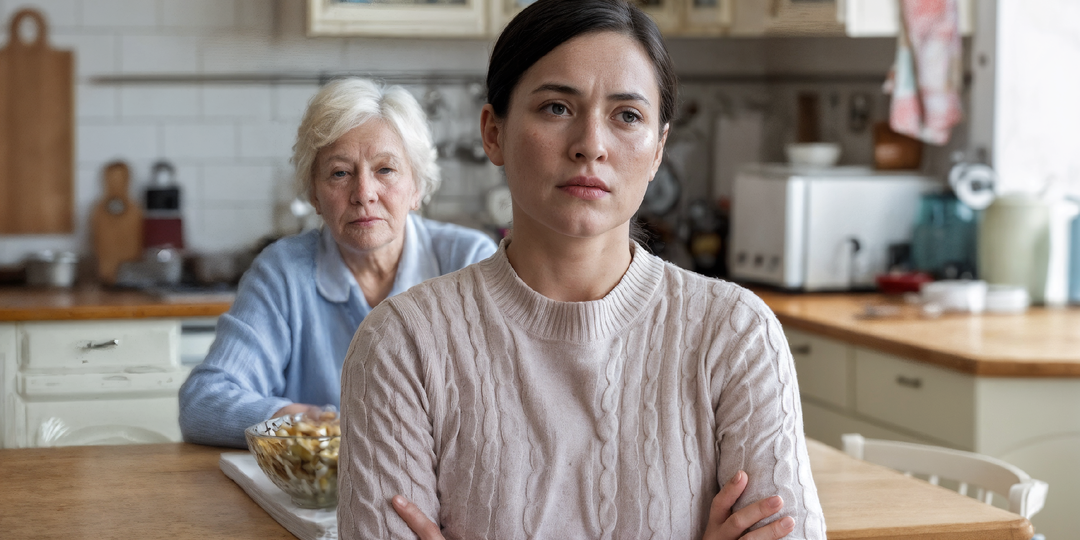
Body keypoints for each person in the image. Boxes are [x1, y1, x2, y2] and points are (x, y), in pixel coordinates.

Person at [337, 1, 826, 538]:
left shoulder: (736, 334)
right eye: (556, 108)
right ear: (493, 132)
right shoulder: (400, 343)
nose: (591, 145)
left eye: (627, 116)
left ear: (659, 149)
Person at [178, 78, 498, 448]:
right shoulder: (284, 271)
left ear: (418, 187)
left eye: (386, 170)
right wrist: (307, 425)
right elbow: (202, 403)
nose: (364, 194)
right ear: (314, 193)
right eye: (340, 173)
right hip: (315, 498)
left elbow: (500, 408)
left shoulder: (468, 261)